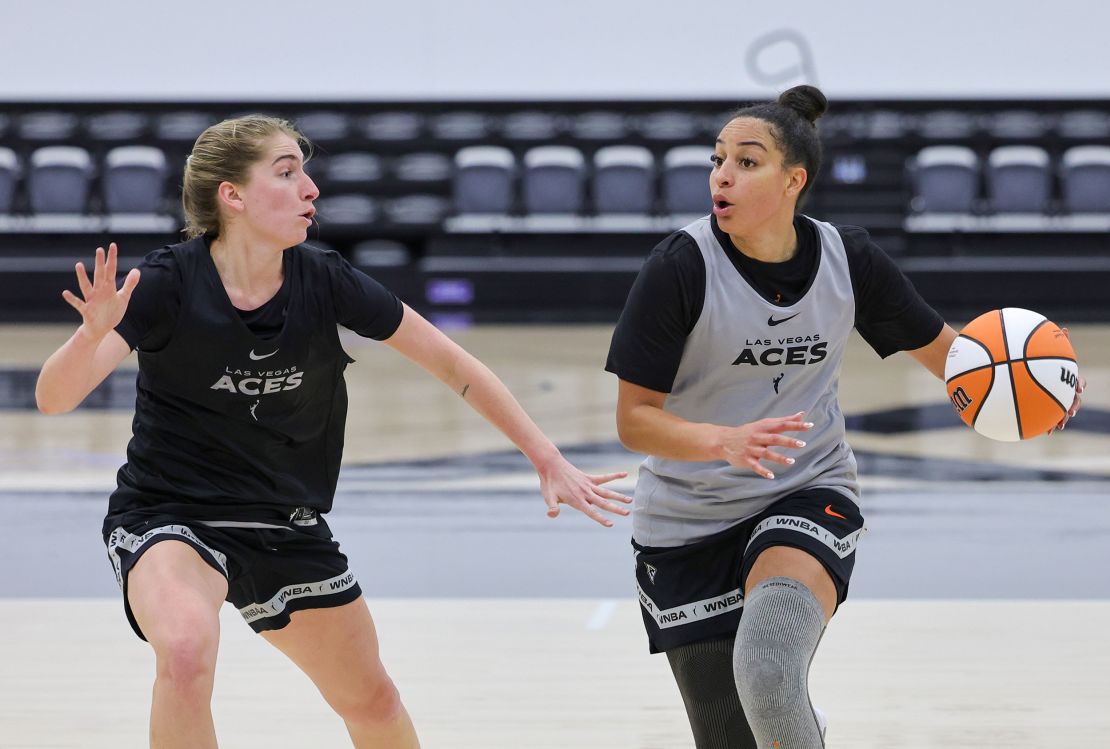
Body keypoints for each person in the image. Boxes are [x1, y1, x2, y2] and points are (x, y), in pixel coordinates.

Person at [35, 115, 632, 749]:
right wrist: (90, 334)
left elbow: (453, 364)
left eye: (306, 171)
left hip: (283, 519)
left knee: (373, 701)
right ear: (231, 196)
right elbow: (55, 397)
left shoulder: (326, 278)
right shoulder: (165, 284)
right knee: (184, 653)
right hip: (170, 514)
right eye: (287, 173)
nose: (311, 189)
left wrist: (546, 456)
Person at [605, 85, 1085, 749]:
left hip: (807, 489)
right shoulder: (679, 268)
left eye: (747, 162)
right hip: (685, 521)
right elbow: (635, 421)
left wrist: (1036, 387)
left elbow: (956, 358)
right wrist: (724, 439)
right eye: (718, 159)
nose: (722, 174)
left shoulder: (847, 259)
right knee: (739, 736)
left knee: (769, 672)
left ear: (793, 179)